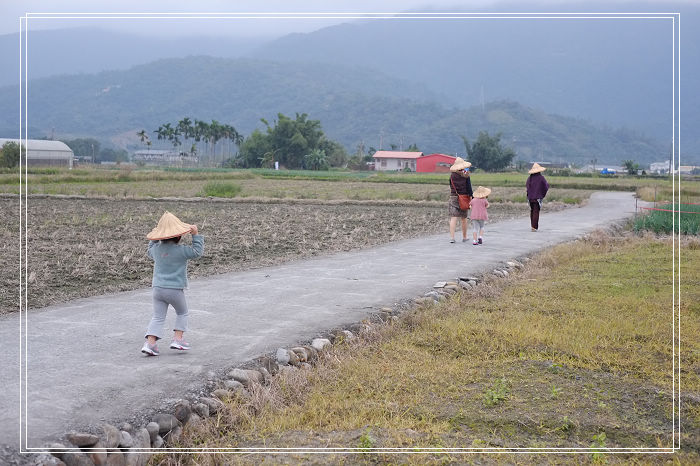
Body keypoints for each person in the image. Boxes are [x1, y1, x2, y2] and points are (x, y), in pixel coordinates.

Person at [141, 211, 204, 356]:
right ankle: (178, 339)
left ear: (160, 236)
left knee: (158, 317)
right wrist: (195, 235)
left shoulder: (155, 250)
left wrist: (155, 236)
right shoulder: (181, 251)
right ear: (179, 236)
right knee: (182, 313)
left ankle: (150, 344)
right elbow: (197, 252)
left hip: (157, 289)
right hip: (174, 290)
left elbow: (149, 249)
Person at [448, 157, 473, 243]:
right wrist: (471, 198)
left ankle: (452, 238)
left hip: (453, 197)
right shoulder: (466, 174)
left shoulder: (452, 176)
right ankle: (464, 237)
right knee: (464, 218)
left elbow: (450, 186)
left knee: (453, 218)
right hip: (464, 198)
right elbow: (469, 188)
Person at [526, 163, 549, 232]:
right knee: (536, 211)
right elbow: (546, 186)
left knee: (532, 211)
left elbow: (527, 187)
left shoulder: (529, 178)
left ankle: (532, 225)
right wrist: (542, 193)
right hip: (537, 198)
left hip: (530, 198)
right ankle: (534, 226)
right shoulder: (541, 178)